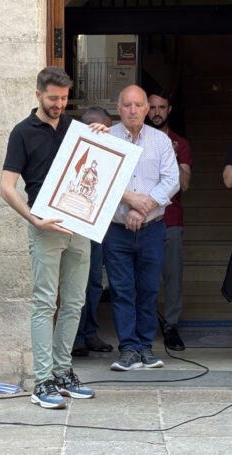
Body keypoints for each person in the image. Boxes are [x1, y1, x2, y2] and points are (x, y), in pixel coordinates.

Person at [0, 66, 95, 409]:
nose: (59, 104)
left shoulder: (75, 128)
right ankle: (42, 381)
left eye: (64, 98)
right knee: (44, 303)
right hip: (45, 226)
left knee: (74, 302)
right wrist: (34, 219)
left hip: (80, 226)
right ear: (38, 94)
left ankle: (63, 373)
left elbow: (98, 168)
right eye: (53, 98)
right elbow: (6, 187)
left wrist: (101, 137)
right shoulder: (22, 132)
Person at [93, 85, 179, 371]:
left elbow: (171, 181)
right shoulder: (106, 138)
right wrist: (132, 201)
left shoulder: (160, 141)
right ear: (118, 109)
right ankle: (128, 349)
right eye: (127, 105)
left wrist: (143, 208)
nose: (133, 110)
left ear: (146, 109)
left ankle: (145, 348)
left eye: (138, 105)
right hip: (116, 230)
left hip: (153, 228)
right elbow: (98, 179)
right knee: (121, 291)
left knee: (149, 289)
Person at [147, 90, 192, 351]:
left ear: (169, 110)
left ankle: (171, 325)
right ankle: (144, 325)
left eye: (161, 107)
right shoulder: (139, 139)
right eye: (152, 107)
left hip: (170, 219)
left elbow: (184, 184)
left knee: (173, 276)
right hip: (142, 217)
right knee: (143, 276)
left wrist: (173, 156)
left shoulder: (180, 143)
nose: (156, 113)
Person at [72, 107, 113, 357]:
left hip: (98, 225)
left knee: (95, 283)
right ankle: (76, 337)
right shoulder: (73, 147)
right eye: (105, 126)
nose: (109, 131)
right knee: (77, 284)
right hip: (75, 225)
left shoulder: (109, 152)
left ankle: (90, 333)